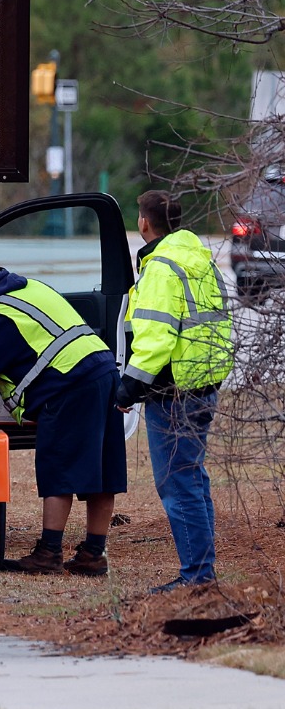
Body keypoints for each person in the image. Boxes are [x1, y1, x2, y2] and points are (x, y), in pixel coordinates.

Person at [0, 265, 126, 574]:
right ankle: (94, 554)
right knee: (102, 469)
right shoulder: (29, 288)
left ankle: (49, 553)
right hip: (104, 371)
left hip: (70, 384)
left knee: (58, 467)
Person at [117, 190, 233, 593]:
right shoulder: (199, 259)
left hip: (173, 392)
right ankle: (202, 570)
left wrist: (127, 387)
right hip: (203, 385)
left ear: (144, 223)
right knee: (193, 478)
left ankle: (197, 577)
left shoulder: (162, 268)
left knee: (178, 483)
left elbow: (156, 339)